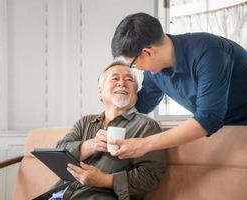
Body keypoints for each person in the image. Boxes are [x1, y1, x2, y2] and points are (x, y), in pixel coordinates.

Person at [110, 12, 247, 159]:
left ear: (148, 52)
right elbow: (141, 106)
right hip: (224, 132)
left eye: (134, 64)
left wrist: (144, 144)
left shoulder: (209, 52)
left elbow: (208, 118)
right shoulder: (154, 72)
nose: (138, 68)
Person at [36, 61, 166, 200]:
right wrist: (90, 145)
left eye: (129, 79)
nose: (122, 83)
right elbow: (59, 152)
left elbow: (151, 176)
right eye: (115, 78)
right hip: (61, 194)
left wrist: (104, 180)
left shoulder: (147, 126)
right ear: (100, 90)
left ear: (135, 91)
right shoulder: (85, 122)